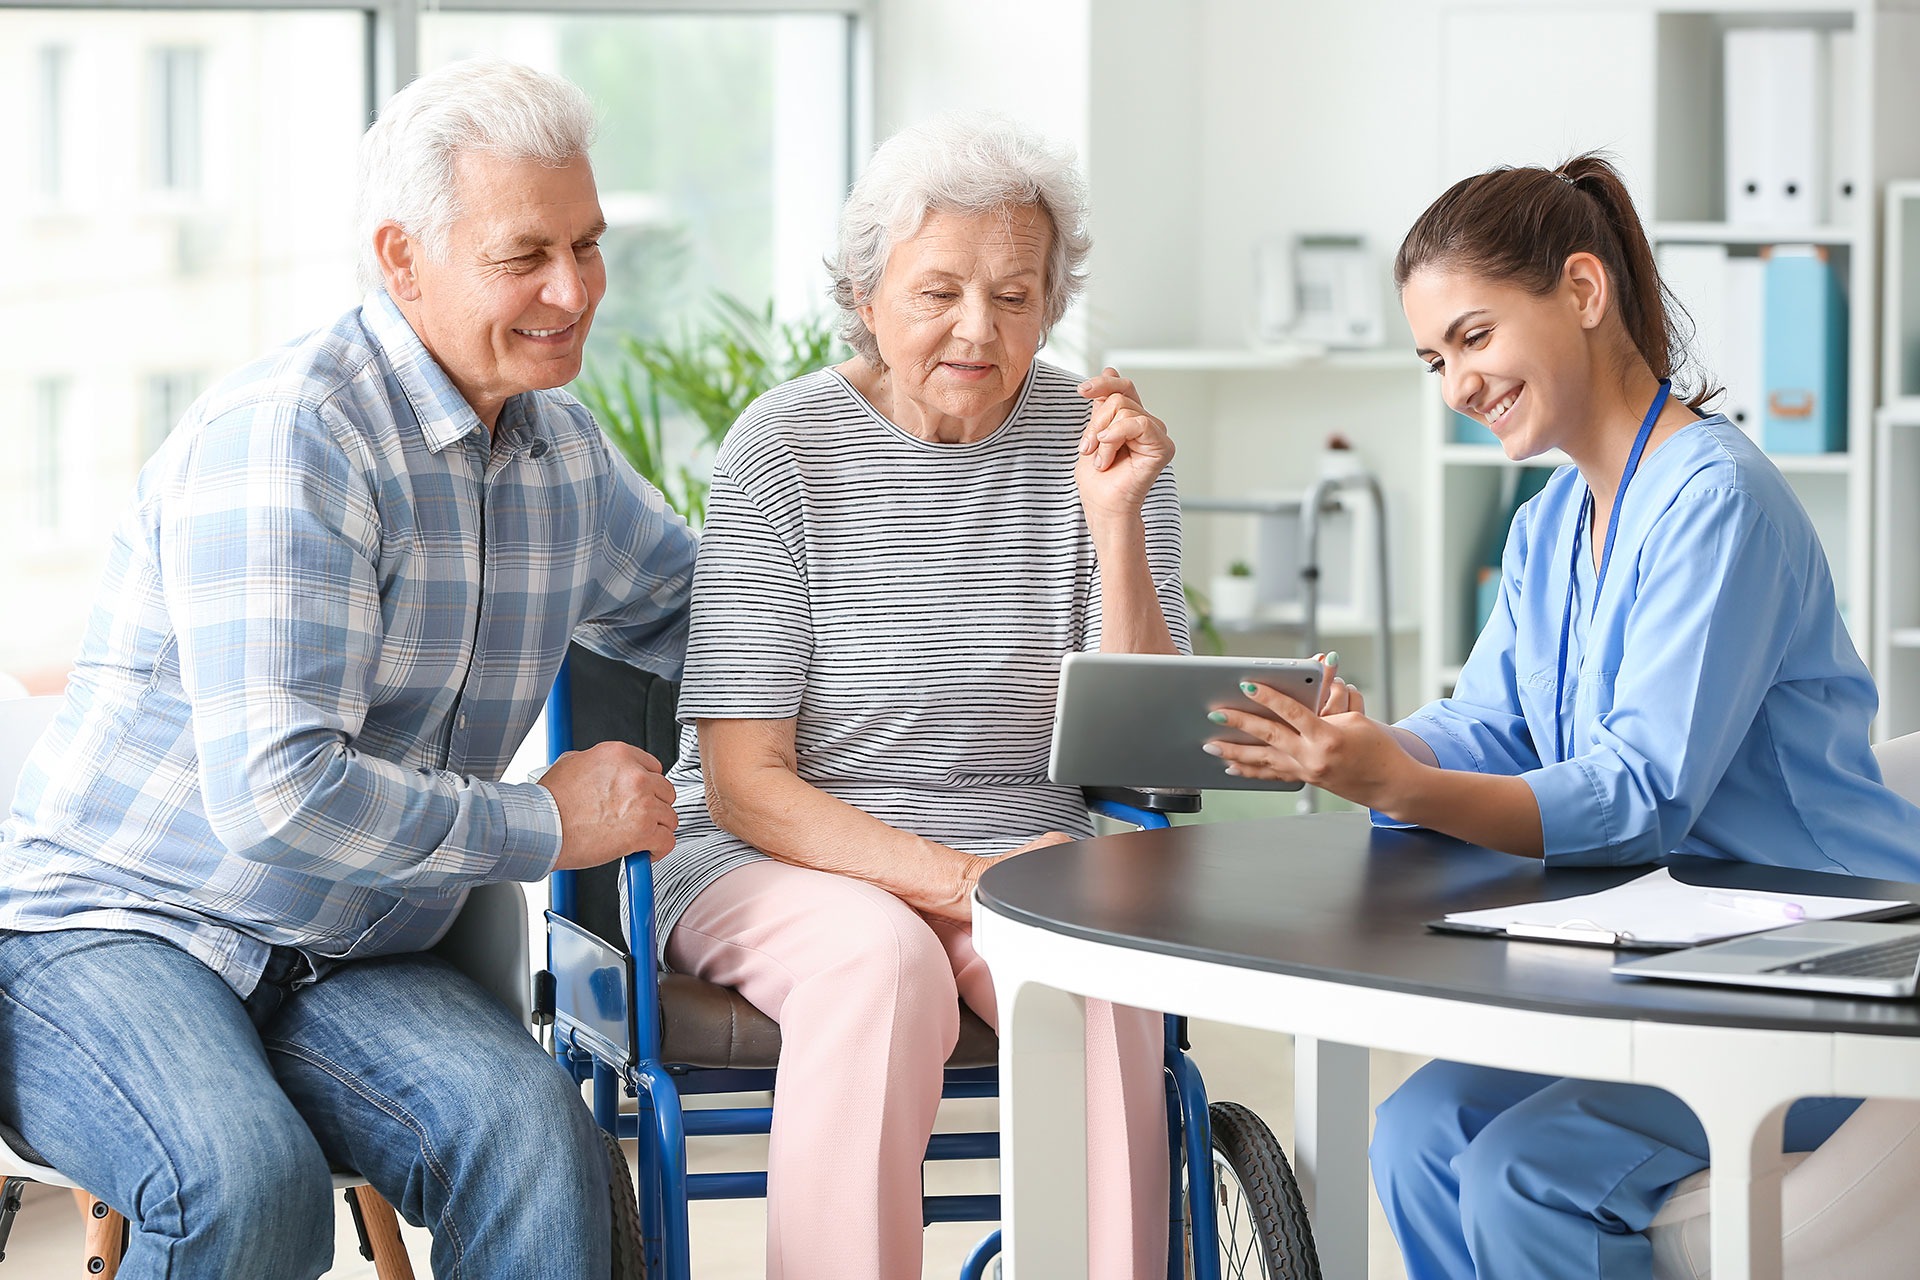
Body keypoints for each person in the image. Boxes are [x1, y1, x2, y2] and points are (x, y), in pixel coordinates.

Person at [0, 59, 694, 1278]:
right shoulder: (296, 435)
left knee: (545, 1145)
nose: (573, 288)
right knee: (244, 1184)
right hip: (115, 926)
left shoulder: (562, 456)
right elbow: (279, 794)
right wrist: (547, 819)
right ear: (402, 254)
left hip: (342, 952)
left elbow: (719, 619)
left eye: (586, 244)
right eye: (524, 253)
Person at [1204, 153, 1920, 1279]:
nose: (1456, 384)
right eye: (1436, 358)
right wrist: (1375, 745)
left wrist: (1400, 783)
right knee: (1418, 1134)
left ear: (1583, 293)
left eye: (1476, 338)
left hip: (1826, 960)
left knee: (1524, 1173)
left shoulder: (1716, 499)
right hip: (1676, 954)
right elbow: (1493, 722)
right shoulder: (1547, 526)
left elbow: (1641, 790)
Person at [651, 112, 1183, 1280]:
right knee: (876, 959)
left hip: (1015, 841)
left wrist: (1118, 522)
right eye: (938, 288)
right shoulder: (783, 448)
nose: (977, 329)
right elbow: (745, 783)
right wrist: (962, 881)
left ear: (1053, 302)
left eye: (1016, 292)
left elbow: (1146, 743)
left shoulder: (1100, 447)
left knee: (1097, 961)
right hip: (776, 855)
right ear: (865, 290)